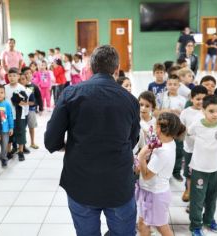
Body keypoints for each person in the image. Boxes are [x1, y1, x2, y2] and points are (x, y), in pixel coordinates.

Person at [44, 45, 140, 236]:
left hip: (81, 181)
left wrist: (66, 146)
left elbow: (51, 141)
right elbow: (133, 139)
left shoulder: (71, 94)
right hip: (118, 183)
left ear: (91, 67)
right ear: (117, 69)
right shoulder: (130, 100)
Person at [136, 112, 186, 236]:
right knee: (143, 224)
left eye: (155, 125)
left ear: (159, 128)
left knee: (160, 226)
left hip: (155, 195)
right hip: (153, 192)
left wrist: (141, 157)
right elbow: (150, 132)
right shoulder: (167, 141)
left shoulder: (164, 152)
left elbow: (147, 176)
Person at [188, 95, 217, 236]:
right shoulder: (197, 124)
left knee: (212, 197)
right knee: (198, 199)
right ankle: (195, 226)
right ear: (203, 110)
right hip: (199, 168)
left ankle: (209, 219)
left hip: (214, 168)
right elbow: (189, 134)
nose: (215, 114)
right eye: (211, 111)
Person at [179, 85, 208, 203]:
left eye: (203, 99)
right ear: (192, 98)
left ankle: (200, 194)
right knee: (189, 173)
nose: (200, 102)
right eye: (198, 99)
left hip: (203, 150)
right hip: (189, 149)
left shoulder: (208, 112)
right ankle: (188, 190)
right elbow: (181, 129)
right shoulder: (186, 112)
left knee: (200, 173)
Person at [159, 75, 186, 182]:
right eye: (170, 84)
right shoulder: (161, 97)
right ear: (166, 85)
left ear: (179, 85)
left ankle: (176, 172)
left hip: (178, 128)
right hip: (165, 129)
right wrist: (166, 111)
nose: (172, 86)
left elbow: (185, 115)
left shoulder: (182, 99)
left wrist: (180, 113)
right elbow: (156, 111)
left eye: (175, 84)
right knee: (164, 151)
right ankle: (164, 172)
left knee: (179, 151)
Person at [5, 68, 28, 161]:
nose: (12, 78)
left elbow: (25, 102)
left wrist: (18, 102)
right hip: (7, 117)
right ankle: (8, 151)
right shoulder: (5, 88)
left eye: (14, 75)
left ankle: (21, 152)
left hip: (19, 115)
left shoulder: (21, 88)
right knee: (8, 134)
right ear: (7, 77)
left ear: (18, 76)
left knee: (20, 133)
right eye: (10, 76)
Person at [0, 84, 14, 167]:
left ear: (5, 94)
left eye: (2, 92)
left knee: (4, 145)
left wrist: (11, 127)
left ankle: (3, 158)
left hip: (5, 129)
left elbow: (10, 116)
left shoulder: (7, 104)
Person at [22, 66, 43, 149]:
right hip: (22, 110)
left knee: (31, 126)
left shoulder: (34, 86)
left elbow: (39, 97)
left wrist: (41, 108)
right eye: (26, 73)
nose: (28, 75)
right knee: (22, 128)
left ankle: (32, 142)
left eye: (30, 73)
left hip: (31, 109)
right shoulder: (20, 86)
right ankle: (22, 144)